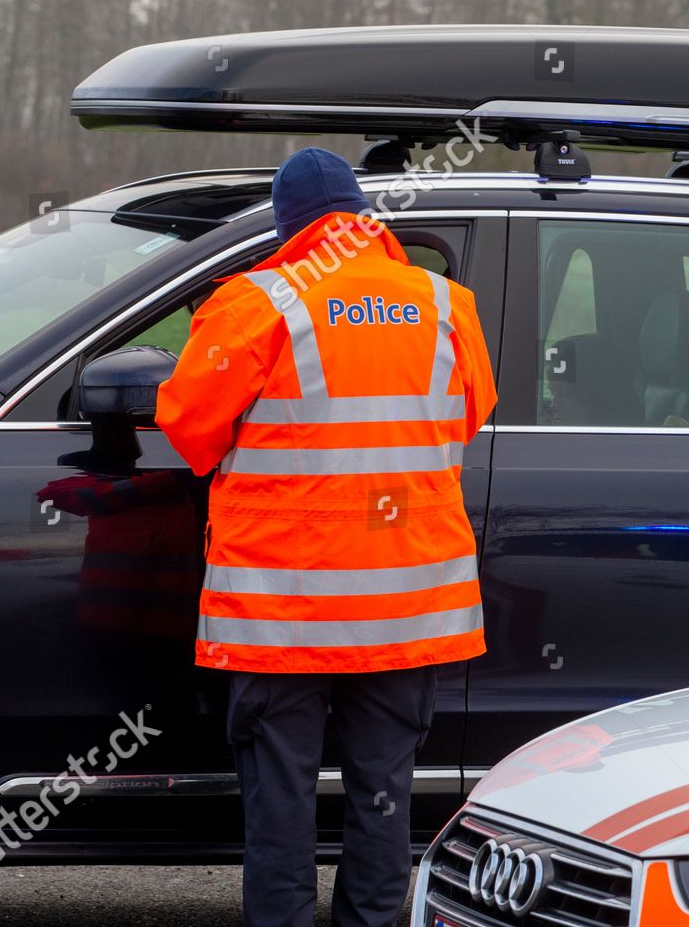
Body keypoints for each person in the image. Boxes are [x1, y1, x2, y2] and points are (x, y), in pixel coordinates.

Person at [156, 147, 497, 927]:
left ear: (288, 224)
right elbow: (467, 415)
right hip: (407, 607)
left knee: (281, 798)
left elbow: (187, 429)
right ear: (361, 218)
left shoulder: (255, 303)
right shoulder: (444, 302)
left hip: (286, 608)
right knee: (384, 796)